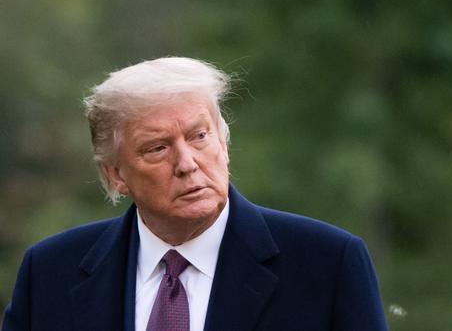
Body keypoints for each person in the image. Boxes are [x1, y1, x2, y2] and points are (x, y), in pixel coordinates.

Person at [2, 57, 388, 331]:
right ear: (116, 174)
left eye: (199, 136)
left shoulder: (326, 264)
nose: (187, 163)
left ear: (223, 140)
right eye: (157, 148)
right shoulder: (51, 272)